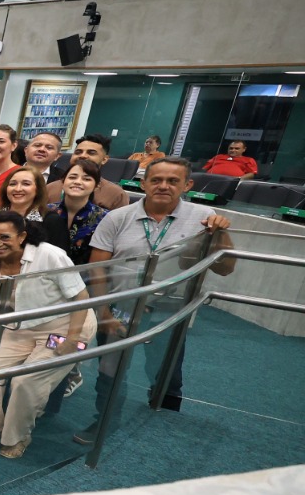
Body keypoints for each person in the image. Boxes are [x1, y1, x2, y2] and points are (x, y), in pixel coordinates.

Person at [76, 157, 235, 442]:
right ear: (143, 183)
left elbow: (225, 268)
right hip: (120, 308)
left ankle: (164, 428)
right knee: (110, 369)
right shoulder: (117, 218)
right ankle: (105, 421)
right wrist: (103, 314)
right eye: (156, 180)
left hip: (170, 311)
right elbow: (97, 270)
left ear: (187, 185)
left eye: (173, 181)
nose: (163, 186)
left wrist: (220, 234)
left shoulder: (205, 218)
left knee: (166, 370)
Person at [0, 210, 96, 459]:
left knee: (26, 381)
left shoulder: (49, 254)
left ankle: (17, 437)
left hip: (68, 325)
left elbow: (81, 297)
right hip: (21, 327)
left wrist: (73, 339)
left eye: (5, 237)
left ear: (22, 236)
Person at [44, 160, 108, 265]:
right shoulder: (44, 211)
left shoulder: (105, 218)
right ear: (63, 181)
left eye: (86, 179)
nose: (77, 182)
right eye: (72, 177)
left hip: (84, 273)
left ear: (97, 186)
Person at [44, 135, 131, 211]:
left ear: (104, 159)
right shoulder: (50, 188)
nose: (83, 156)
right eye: (78, 152)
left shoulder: (116, 194)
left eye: (91, 153)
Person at [0, 166, 51, 247]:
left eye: (26, 184)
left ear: (38, 189)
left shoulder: (49, 219)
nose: (18, 189)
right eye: (13, 184)